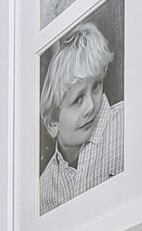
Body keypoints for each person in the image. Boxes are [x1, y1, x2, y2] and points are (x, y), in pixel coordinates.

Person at [39, 21, 125, 213]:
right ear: (52, 123)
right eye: (78, 99)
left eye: (96, 86)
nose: (91, 106)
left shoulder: (125, 126)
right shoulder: (43, 190)